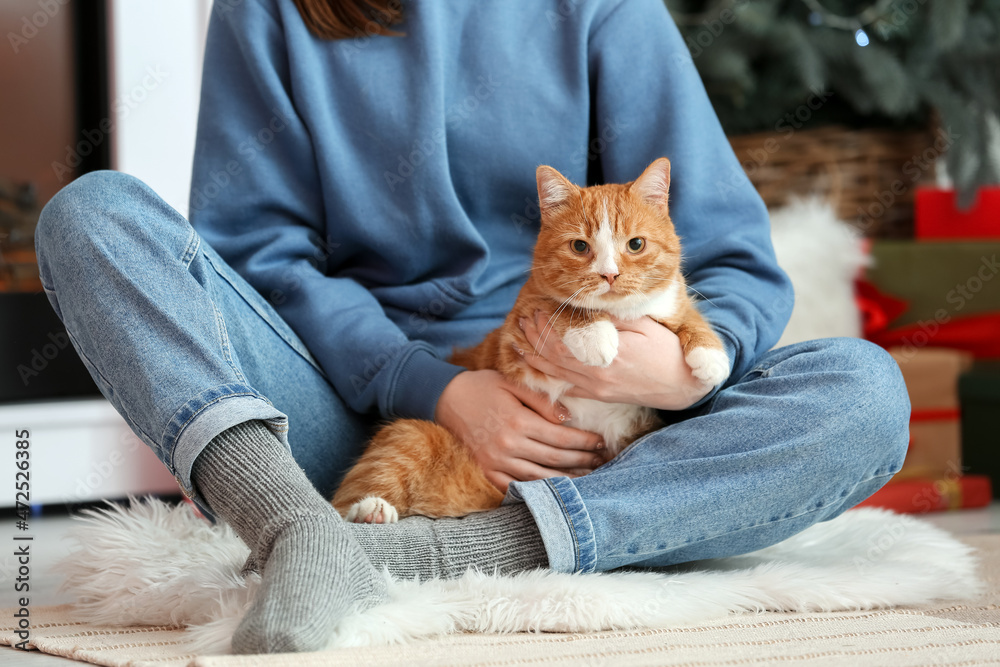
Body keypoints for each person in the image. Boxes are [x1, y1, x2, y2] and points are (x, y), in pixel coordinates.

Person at [34, 0, 909, 655]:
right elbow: (259, 250)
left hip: (599, 421)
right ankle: (295, 519)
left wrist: (678, 375)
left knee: (864, 393)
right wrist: (439, 388)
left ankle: (411, 553)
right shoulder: (270, 8)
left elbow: (734, 258)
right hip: (349, 408)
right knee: (93, 215)